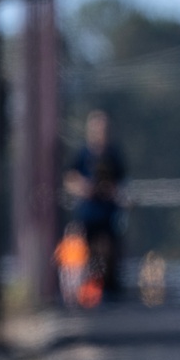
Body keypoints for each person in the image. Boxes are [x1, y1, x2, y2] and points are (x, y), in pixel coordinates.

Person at [64, 109, 127, 301]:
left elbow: (123, 184)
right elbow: (69, 178)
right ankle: (85, 290)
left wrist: (112, 191)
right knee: (85, 253)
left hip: (109, 215)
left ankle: (110, 287)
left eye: (104, 128)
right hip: (88, 214)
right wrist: (84, 187)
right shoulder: (83, 154)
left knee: (109, 251)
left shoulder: (114, 155)